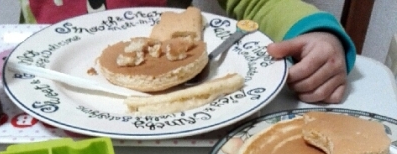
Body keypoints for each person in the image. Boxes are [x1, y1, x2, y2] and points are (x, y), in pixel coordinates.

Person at [18, 0, 356, 104]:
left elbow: (261, 2)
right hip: (53, 127)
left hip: (193, 132)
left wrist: (317, 33)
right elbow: (26, 40)